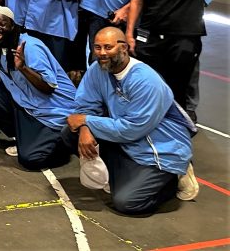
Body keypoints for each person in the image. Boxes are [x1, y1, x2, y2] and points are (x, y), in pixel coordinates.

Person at [64, 27, 198, 214]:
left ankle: (173, 179)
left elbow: (133, 129)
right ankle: (120, 177)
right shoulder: (98, 69)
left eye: (108, 47)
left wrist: (87, 120)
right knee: (70, 132)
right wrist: (85, 127)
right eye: (97, 47)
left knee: (127, 202)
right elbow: (85, 103)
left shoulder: (146, 80)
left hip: (157, 148)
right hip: (127, 140)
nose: (102, 53)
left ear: (124, 48)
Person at [0, 7, 78, 170]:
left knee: (31, 160)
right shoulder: (0, 49)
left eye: (2, 24)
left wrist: (23, 68)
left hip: (55, 111)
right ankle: (23, 137)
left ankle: (67, 141)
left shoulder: (30, 46)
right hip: (31, 107)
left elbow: (48, 88)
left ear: (13, 26)